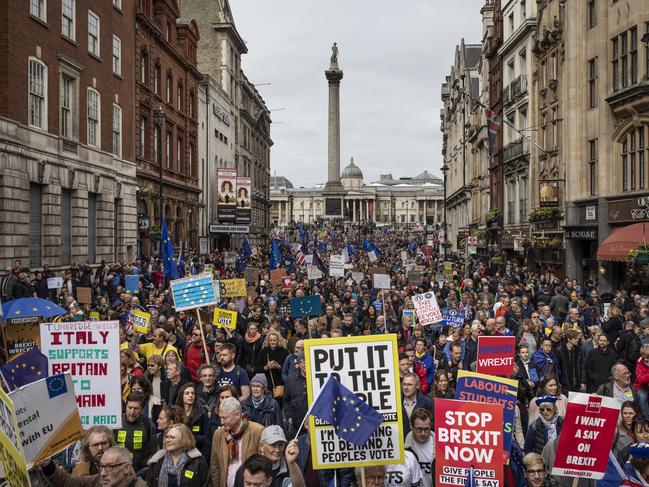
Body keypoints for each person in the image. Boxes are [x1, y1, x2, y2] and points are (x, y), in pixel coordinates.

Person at [210, 396, 264, 487]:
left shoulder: (258, 431)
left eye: (225, 418)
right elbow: (214, 467)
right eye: (220, 417)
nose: (222, 422)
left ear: (238, 415)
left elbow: (263, 465)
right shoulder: (218, 434)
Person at [234, 425, 304, 487]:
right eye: (273, 445)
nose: (277, 450)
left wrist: (291, 464)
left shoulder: (291, 468)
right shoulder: (246, 468)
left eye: (281, 444)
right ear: (261, 446)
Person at [40, 446, 147, 487]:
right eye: (102, 466)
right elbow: (67, 482)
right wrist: (47, 463)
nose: (103, 473)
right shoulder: (98, 481)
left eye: (110, 467)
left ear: (126, 468)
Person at [146, 423, 210, 486]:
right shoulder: (157, 460)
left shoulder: (197, 461)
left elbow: (206, 484)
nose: (168, 440)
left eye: (172, 437)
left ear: (183, 440)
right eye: (167, 437)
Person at [114, 392, 157, 473]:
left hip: (140, 471)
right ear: (125, 407)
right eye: (129, 407)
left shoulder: (148, 424)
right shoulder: (116, 423)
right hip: (118, 471)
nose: (132, 412)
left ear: (142, 409)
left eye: (136, 408)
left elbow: (152, 450)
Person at [175, 382, 209, 454]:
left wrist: (191, 438)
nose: (190, 395)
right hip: (178, 451)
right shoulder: (175, 413)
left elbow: (207, 438)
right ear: (182, 396)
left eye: (193, 393)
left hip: (196, 451)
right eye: (187, 393)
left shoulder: (202, 414)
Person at [404, 408, 435, 487]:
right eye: (419, 429)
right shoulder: (405, 448)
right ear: (411, 426)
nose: (423, 433)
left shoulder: (440, 446)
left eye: (426, 429)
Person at [401, 373, 434, 439]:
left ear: (418, 386)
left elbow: (433, 425)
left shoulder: (428, 403)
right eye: (404, 384)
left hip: (422, 443)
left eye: (409, 385)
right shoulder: (397, 402)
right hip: (403, 444)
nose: (406, 387)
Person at [283, 351, 308, 438]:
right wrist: (289, 416)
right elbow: (286, 400)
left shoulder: (316, 378)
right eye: (303, 362)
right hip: (296, 423)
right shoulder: (290, 379)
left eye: (308, 361)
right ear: (298, 364)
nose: (306, 365)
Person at [613, 401, 639, 465]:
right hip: (620, 468)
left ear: (636, 414)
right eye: (625, 413)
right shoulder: (616, 431)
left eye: (631, 413)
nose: (627, 416)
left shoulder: (642, 431)